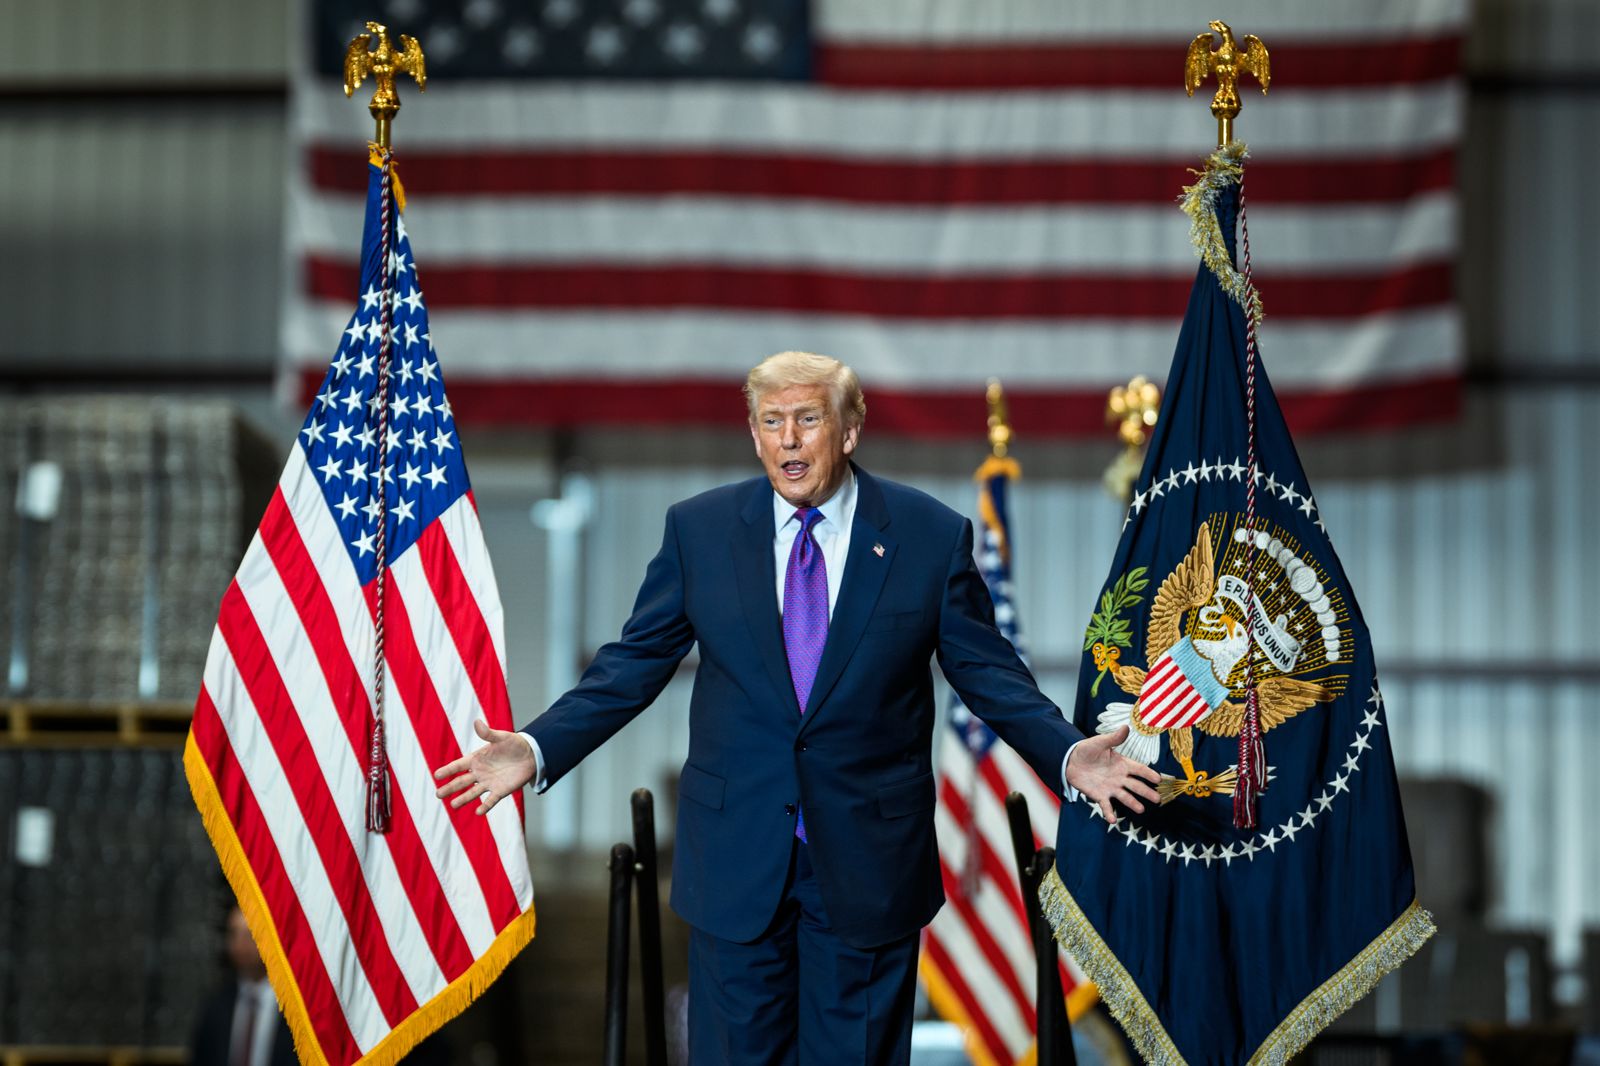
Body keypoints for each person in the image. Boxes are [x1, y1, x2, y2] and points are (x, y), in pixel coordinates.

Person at [434, 352, 1162, 1065]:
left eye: (808, 419)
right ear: (754, 434)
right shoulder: (701, 531)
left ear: (849, 431)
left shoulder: (927, 536)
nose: (788, 438)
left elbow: (988, 673)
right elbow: (631, 664)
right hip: (736, 862)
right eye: (771, 420)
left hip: (868, 867)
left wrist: (1067, 752)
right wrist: (537, 746)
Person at [189, 907, 295, 1066]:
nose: (240, 945)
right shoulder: (216, 1005)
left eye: (249, 934)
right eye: (233, 934)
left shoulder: (295, 1009)